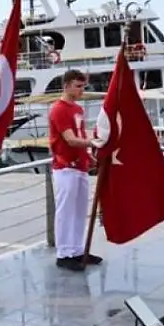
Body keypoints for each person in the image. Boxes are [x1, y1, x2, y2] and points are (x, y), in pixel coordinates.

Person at [48, 69, 103, 271]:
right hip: (65, 167)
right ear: (67, 85)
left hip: (79, 166)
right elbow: (70, 139)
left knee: (79, 210)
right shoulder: (59, 109)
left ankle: (78, 249)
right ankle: (64, 253)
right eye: (78, 86)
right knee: (66, 210)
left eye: (83, 87)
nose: (81, 90)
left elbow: (77, 136)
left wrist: (88, 156)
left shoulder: (77, 109)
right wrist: (94, 142)